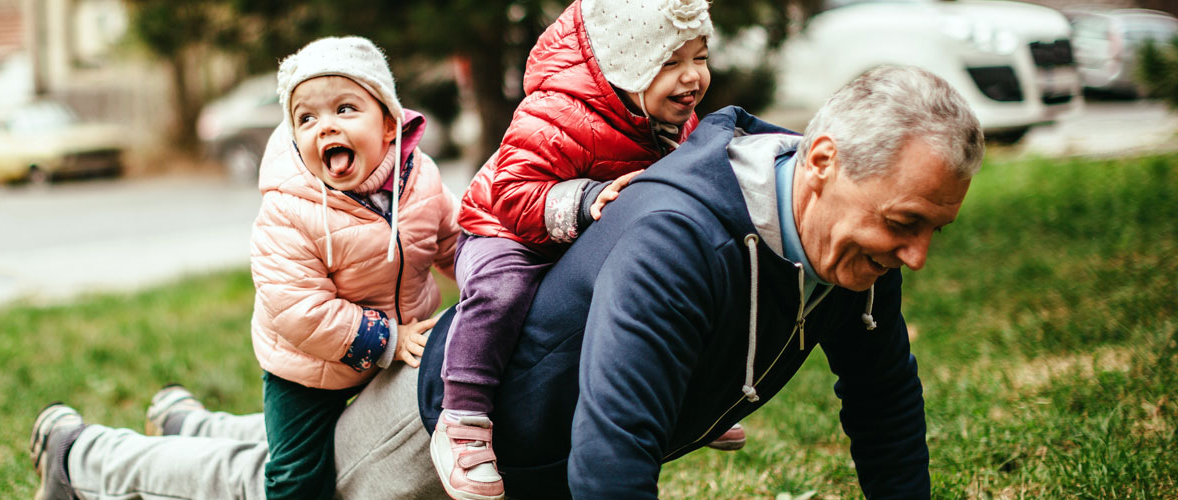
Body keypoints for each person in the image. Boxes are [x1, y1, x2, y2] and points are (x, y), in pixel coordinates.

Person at [419, 64, 986, 499]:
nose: (917, 256)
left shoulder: (858, 244)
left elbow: (882, 399)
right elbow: (613, 458)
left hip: (568, 455)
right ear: (821, 163)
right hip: (459, 432)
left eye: (934, 228)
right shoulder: (677, 240)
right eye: (904, 224)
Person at [27, 35, 460, 500]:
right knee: (298, 476)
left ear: (390, 124)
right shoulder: (290, 207)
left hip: (391, 348)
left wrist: (486, 276)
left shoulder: (420, 180)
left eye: (346, 109)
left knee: (340, 438)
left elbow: (452, 239)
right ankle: (85, 465)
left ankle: (188, 426)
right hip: (309, 367)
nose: (325, 127)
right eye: (306, 118)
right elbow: (298, 309)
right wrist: (387, 340)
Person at [430, 0, 735, 497]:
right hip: (506, 230)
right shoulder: (556, 112)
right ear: (625, 63)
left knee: (667, 283)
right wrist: (588, 198)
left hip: (587, 236)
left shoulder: (675, 121)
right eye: (670, 62)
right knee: (502, 292)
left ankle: (687, 394)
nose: (691, 78)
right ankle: (463, 416)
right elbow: (511, 193)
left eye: (699, 58)